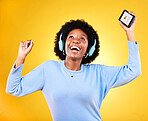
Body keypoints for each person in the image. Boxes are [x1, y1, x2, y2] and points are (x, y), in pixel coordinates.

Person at [6, 11, 141, 121]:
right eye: (71, 37)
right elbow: (13, 89)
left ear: (89, 50)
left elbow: (133, 71)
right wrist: (21, 57)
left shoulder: (99, 73)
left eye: (82, 38)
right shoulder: (48, 69)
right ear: (62, 45)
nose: (76, 40)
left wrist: (129, 32)